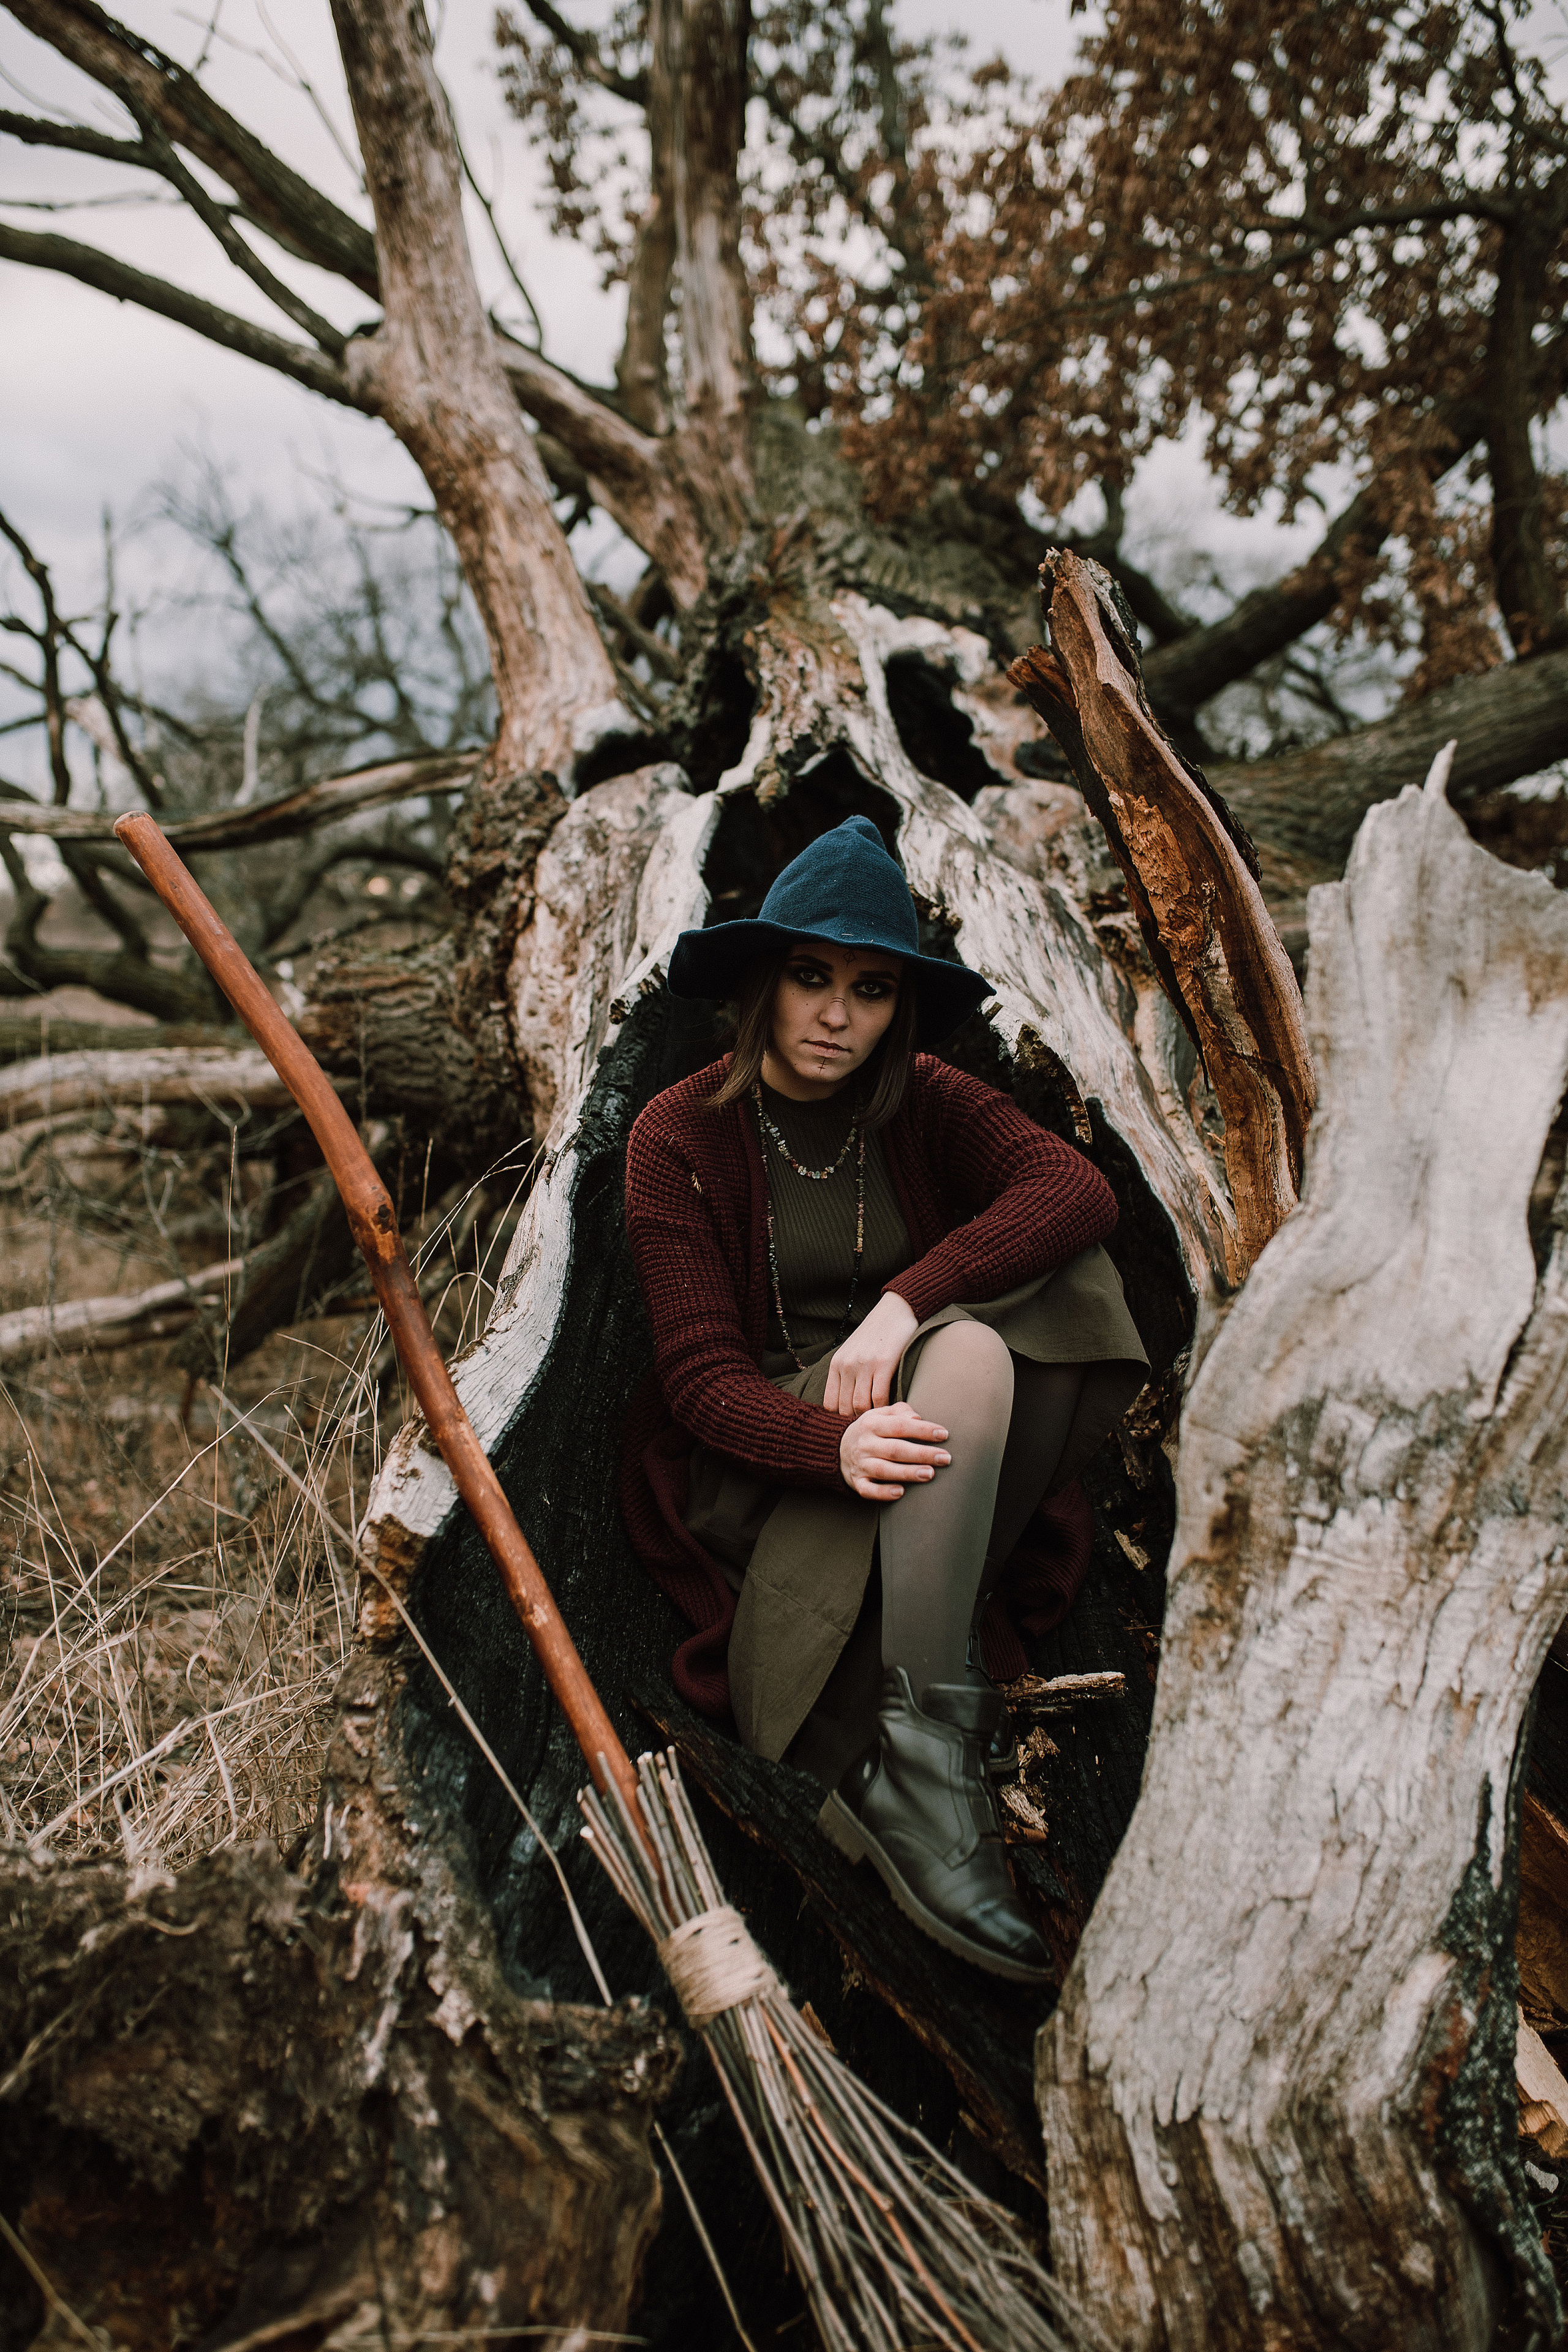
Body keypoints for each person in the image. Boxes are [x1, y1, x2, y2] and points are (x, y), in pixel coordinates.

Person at [620, 815, 1147, 1981]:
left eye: (869, 989)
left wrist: (906, 1301)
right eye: (811, 977)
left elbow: (1075, 1189)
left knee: (1033, 1295)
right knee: (971, 1359)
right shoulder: (679, 1135)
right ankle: (926, 1765)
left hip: (918, 1406)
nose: (835, 1017)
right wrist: (829, 1446)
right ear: (764, 978)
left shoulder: (920, 1099)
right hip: (773, 1452)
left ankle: (919, 1730)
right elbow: (701, 1381)